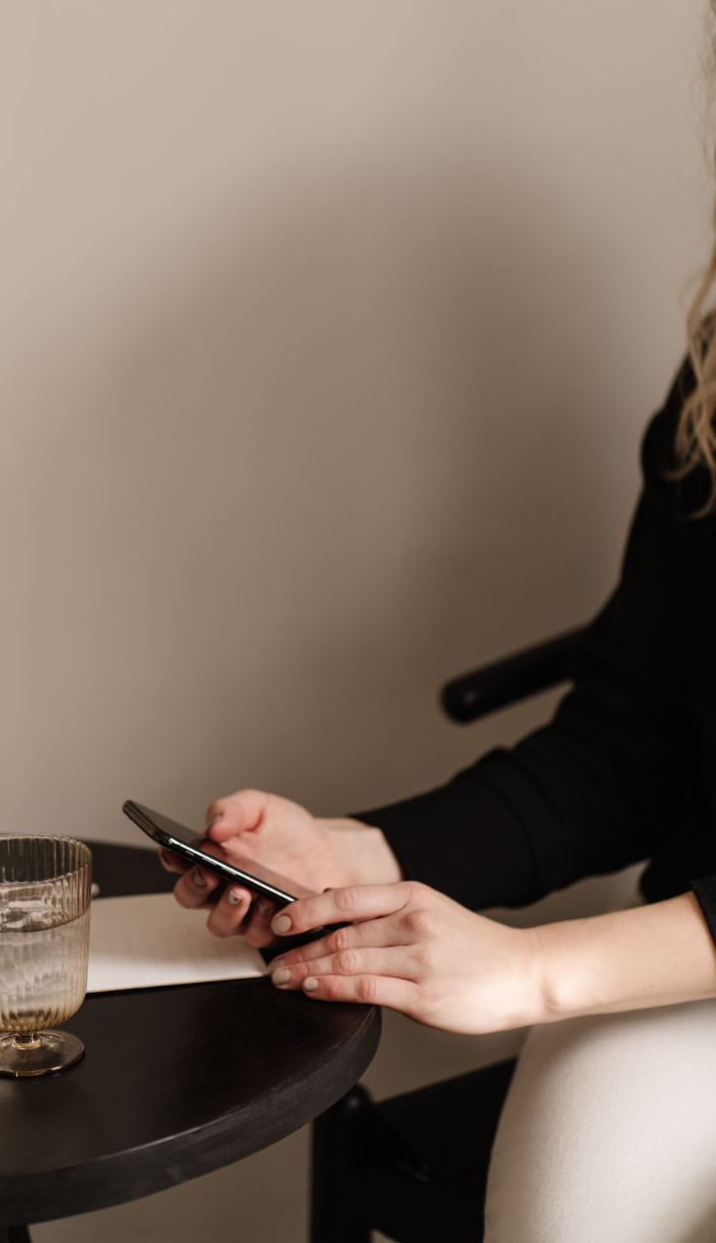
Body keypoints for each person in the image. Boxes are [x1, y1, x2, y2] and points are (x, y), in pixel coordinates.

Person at [161, 239, 716, 1239]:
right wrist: (362, 855)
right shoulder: (711, 387)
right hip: (694, 970)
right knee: (563, 1217)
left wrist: (531, 971)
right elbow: (632, 746)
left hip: (675, 952)